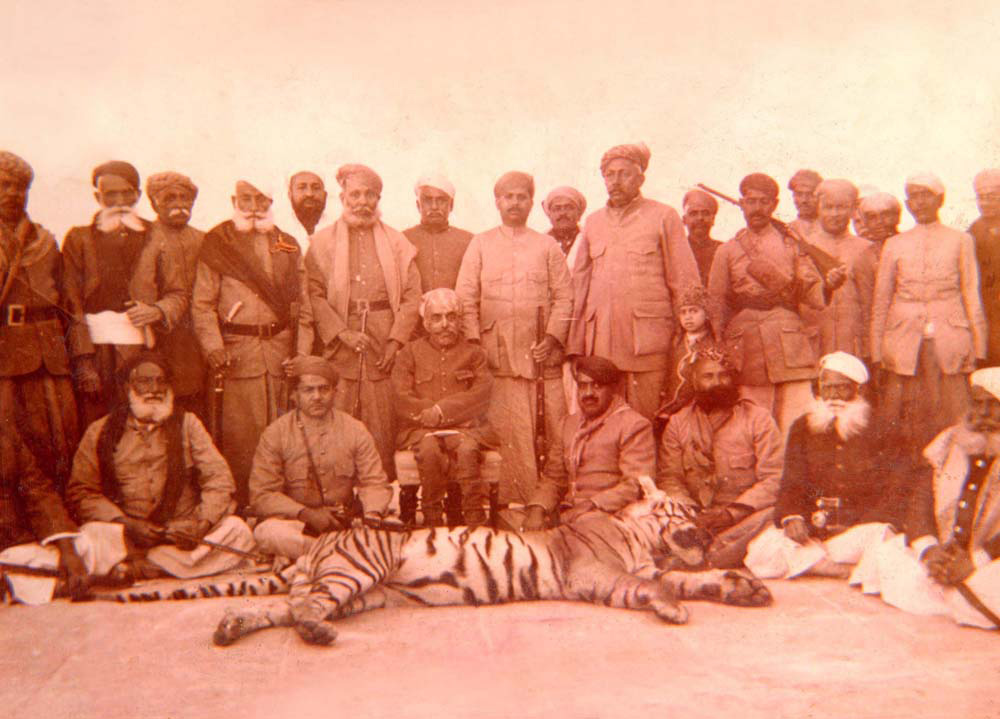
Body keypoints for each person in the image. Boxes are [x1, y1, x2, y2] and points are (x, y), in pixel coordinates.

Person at [65, 353, 255, 580]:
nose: (154, 389)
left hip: (181, 533)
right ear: (127, 387)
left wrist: (201, 524)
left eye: (161, 381)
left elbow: (219, 479)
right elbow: (82, 492)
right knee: (92, 535)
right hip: (126, 534)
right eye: (144, 381)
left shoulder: (188, 423)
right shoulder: (99, 430)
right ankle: (161, 564)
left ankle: (141, 567)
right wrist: (126, 524)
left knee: (237, 530)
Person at [191, 178, 314, 508]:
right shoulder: (217, 242)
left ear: (271, 201)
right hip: (236, 357)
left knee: (284, 436)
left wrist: (301, 356)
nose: (254, 208)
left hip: (280, 355)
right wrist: (214, 347)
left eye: (261, 200)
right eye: (246, 200)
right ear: (234, 200)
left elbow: (304, 308)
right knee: (241, 440)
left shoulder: (286, 243)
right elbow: (202, 304)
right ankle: (245, 507)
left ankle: (284, 507)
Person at [455, 171, 573, 507]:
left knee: (553, 426)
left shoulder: (546, 245)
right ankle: (516, 504)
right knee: (511, 432)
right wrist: (475, 342)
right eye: (508, 197)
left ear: (532, 202)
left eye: (522, 196)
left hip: (541, 356)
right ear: (497, 202)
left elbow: (565, 297)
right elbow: (466, 295)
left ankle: (557, 499)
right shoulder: (480, 243)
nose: (515, 203)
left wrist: (552, 337)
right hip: (497, 356)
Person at [567, 143, 701, 420]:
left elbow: (685, 280)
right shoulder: (593, 222)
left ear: (640, 178)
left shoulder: (663, 216)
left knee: (645, 421)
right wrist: (575, 345)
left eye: (624, 174)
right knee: (604, 423)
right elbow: (578, 286)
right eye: (610, 175)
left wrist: (690, 335)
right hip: (601, 344)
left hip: (648, 343)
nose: (616, 181)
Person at [305, 164, 422, 482]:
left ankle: (381, 496)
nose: (362, 201)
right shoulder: (321, 242)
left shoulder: (397, 242)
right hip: (341, 339)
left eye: (370, 194)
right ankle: (338, 494)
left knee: (381, 419)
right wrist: (341, 332)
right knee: (338, 417)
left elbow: (413, 297)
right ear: (342, 197)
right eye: (355, 194)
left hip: (383, 340)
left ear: (379, 198)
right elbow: (313, 295)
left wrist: (396, 341)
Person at [708, 172, 845, 433]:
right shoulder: (727, 250)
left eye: (764, 202)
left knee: (795, 419)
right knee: (752, 421)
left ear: (774, 204)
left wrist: (829, 285)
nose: (757, 208)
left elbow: (809, 292)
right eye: (750, 201)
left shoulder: (791, 245)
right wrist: (719, 346)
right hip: (746, 345)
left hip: (788, 340)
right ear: (741, 203)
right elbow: (717, 302)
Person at [744, 352, 900, 580]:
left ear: (860, 390)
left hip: (857, 531)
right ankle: (842, 570)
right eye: (827, 388)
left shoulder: (882, 429)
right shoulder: (803, 427)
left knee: (883, 538)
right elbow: (791, 483)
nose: (833, 396)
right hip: (814, 533)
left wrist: (854, 525)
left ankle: (817, 565)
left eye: (842, 388)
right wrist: (793, 517)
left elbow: (894, 492)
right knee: (761, 551)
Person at [867, 368, 1000, 630]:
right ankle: (963, 599)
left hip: (990, 557)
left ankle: (961, 596)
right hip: (948, 553)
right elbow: (920, 503)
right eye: (977, 402)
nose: (982, 413)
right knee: (886, 555)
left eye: (993, 404)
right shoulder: (948, 442)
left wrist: (975, 562)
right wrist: (930, 551)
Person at [63, 161, 188, 428]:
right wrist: (84, 362)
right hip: (96, 352)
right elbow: (70, 303)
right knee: (97, 424)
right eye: (110, 194)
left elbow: (177, 293)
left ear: (137, 195)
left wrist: (156, 311)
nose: (119, 201)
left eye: (126, 193)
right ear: (98, 197)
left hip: (142, 348)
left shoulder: (156, 235)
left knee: (143, 420)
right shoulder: (78, 239)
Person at [871, 173, 986, 454]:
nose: (919, 203)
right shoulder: (895, 244)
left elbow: (971, 291)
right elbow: (881, 299)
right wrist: (876, 351)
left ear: (940, 200)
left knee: (952, 413)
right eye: (913, 197)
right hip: (903, 341)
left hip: (949, 337)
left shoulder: (960, 240)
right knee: (905, 417)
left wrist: (978, 345)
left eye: (926, 196)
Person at [249, 355, 391, 559]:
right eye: (308, 390)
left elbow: (375, 482)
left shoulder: (355, 430)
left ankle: (320, 556)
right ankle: (342, 555)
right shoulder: (276, 433)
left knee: (390, 530)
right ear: (294, 395)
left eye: (324, 389)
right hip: (298, 525)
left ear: (335, 392)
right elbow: (262, 495)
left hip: (345, 523)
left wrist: (372, 514)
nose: (317, 396)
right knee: (267, 533)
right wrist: (306, 514)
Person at [657, 343, 784, 568]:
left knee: (773, 514)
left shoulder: (758, 418)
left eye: (723, 376)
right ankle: (712, 554)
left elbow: (774, 479)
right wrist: (691, 514)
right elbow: (670, 478)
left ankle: (709, 555)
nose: (716, 383)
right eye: (708, 376)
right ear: (694, 381)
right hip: (693, 517)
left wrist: (730, 514)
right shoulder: (678, 423)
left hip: (741, 518)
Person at [0, 150, 78, 490]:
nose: (13, 194)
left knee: (59, 433)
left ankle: (60, 505)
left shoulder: (46, 240)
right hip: (6, 354)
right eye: (4, 185)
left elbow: (70, 302)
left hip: (51, 353)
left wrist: (82, 357)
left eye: (20, 187)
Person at [391, 289, 496, 525]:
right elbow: (401, 397)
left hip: (466, 429)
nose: (444, 324)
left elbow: (481, 394)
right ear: (426, 323)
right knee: (428, 451)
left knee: (468, 450)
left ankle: (474, 524)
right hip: (421, 428)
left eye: (451, 317)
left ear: (460, 321)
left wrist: (441, 412)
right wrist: (429, 413)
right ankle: (432, 522)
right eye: (436, 318)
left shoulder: (475, 354)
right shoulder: (409, 353)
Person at [523, 356, 654, 530]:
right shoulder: (568, 424)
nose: (588, 393)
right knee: (510, 525)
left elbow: (636, 485)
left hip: (610, 515)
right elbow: (554, 478)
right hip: (568, 513)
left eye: (597, 386)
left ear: (614, 389)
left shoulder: (633, 425)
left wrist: (590, 505)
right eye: (582, 386)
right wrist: (537, 510)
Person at [0, 427, 91, 604]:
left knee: (95, 537)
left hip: (21, 543)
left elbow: (38, 491)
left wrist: (67, 549)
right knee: (21, 568)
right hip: (7, 555)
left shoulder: (7, 438)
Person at [146, 171, 206, 419]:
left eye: (185, 198)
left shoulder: (204, 239)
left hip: (197, 338)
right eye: (170, 198)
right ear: (154, 202)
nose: (179, 204)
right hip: (157, 335)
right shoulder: (144, 237)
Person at [799, 179, 877, 359]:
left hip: (853, 342)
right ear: (818, 207)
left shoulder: (866, 248)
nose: (834, 214)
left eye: (841, 207)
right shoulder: (802, 247)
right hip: (813, 341)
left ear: (853, 209)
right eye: (828, 207)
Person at [403, 174, 473, 293]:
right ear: (418, 205)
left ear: (451, 205)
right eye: (427, 200)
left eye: (441, 200)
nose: (434, 207)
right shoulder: (403, 240)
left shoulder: (469, 241)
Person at [969, 169, 1000, 365]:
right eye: (982, 198)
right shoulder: (973, 231)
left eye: (993, 197)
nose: (986, 203)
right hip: (987, 310)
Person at [681, 189, 722, 284]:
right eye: (693, 213)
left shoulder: (723, 250)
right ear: (684, 220)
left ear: (713, 219)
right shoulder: (674, 250)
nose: (700, 218)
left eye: (705, 213)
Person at [541, 185, 587, 258]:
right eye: (557, 208)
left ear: (579, 212)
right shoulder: (539, 242)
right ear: (549, 214)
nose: (563, 213)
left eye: (569, 208)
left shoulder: (589, 238)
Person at [288, 170, 328, 240]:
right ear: (290, 195)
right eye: (302, 188)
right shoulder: (279, 227)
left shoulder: (337, 227)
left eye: (316, 188)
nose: (309, 194)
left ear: (325, 195)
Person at [787, 169, 822, 237]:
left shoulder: (830, 229)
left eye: (810, 194)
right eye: (799, 194)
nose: (804, 200)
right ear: (793, 196)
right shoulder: (788, 231)